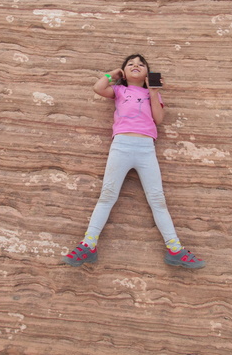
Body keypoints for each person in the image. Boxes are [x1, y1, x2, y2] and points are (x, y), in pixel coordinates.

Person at [63, 54, 205, 269]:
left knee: (157, 199)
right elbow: (98, 87)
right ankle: (88, 245)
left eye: (141, 64)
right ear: (124, 72)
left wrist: (155, 92)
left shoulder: (151, 93)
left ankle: (175, 249)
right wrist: (114, 74)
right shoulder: (119, 90)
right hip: (121, 146)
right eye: (130, 64)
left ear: (148, 73)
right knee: (107, 196)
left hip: (146, 148)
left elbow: (158, 119)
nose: (136, 66)